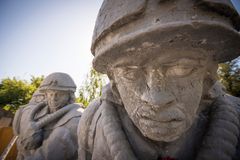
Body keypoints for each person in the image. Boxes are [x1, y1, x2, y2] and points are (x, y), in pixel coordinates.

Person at [78, 0, 240, 160]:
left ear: (208, 77)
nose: (156, 99)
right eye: (129, 72)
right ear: (114, 85)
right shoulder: (91, 122)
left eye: (182, 68)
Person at [13, 72, 82, 160]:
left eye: (60, 94)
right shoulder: (37, 114)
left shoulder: (75, 119)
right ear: (45, 95)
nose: (54, 98)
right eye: (50, 94)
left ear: (69, 96)